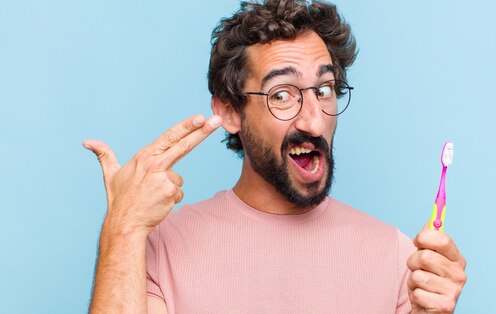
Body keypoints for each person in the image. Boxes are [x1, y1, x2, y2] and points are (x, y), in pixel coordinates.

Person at [83, 0, 466, 313]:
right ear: (230, 111)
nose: (314, 121)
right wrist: (124, 230)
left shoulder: (396, 257)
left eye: (325, 89)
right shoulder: (163, 249)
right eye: (282, 94)